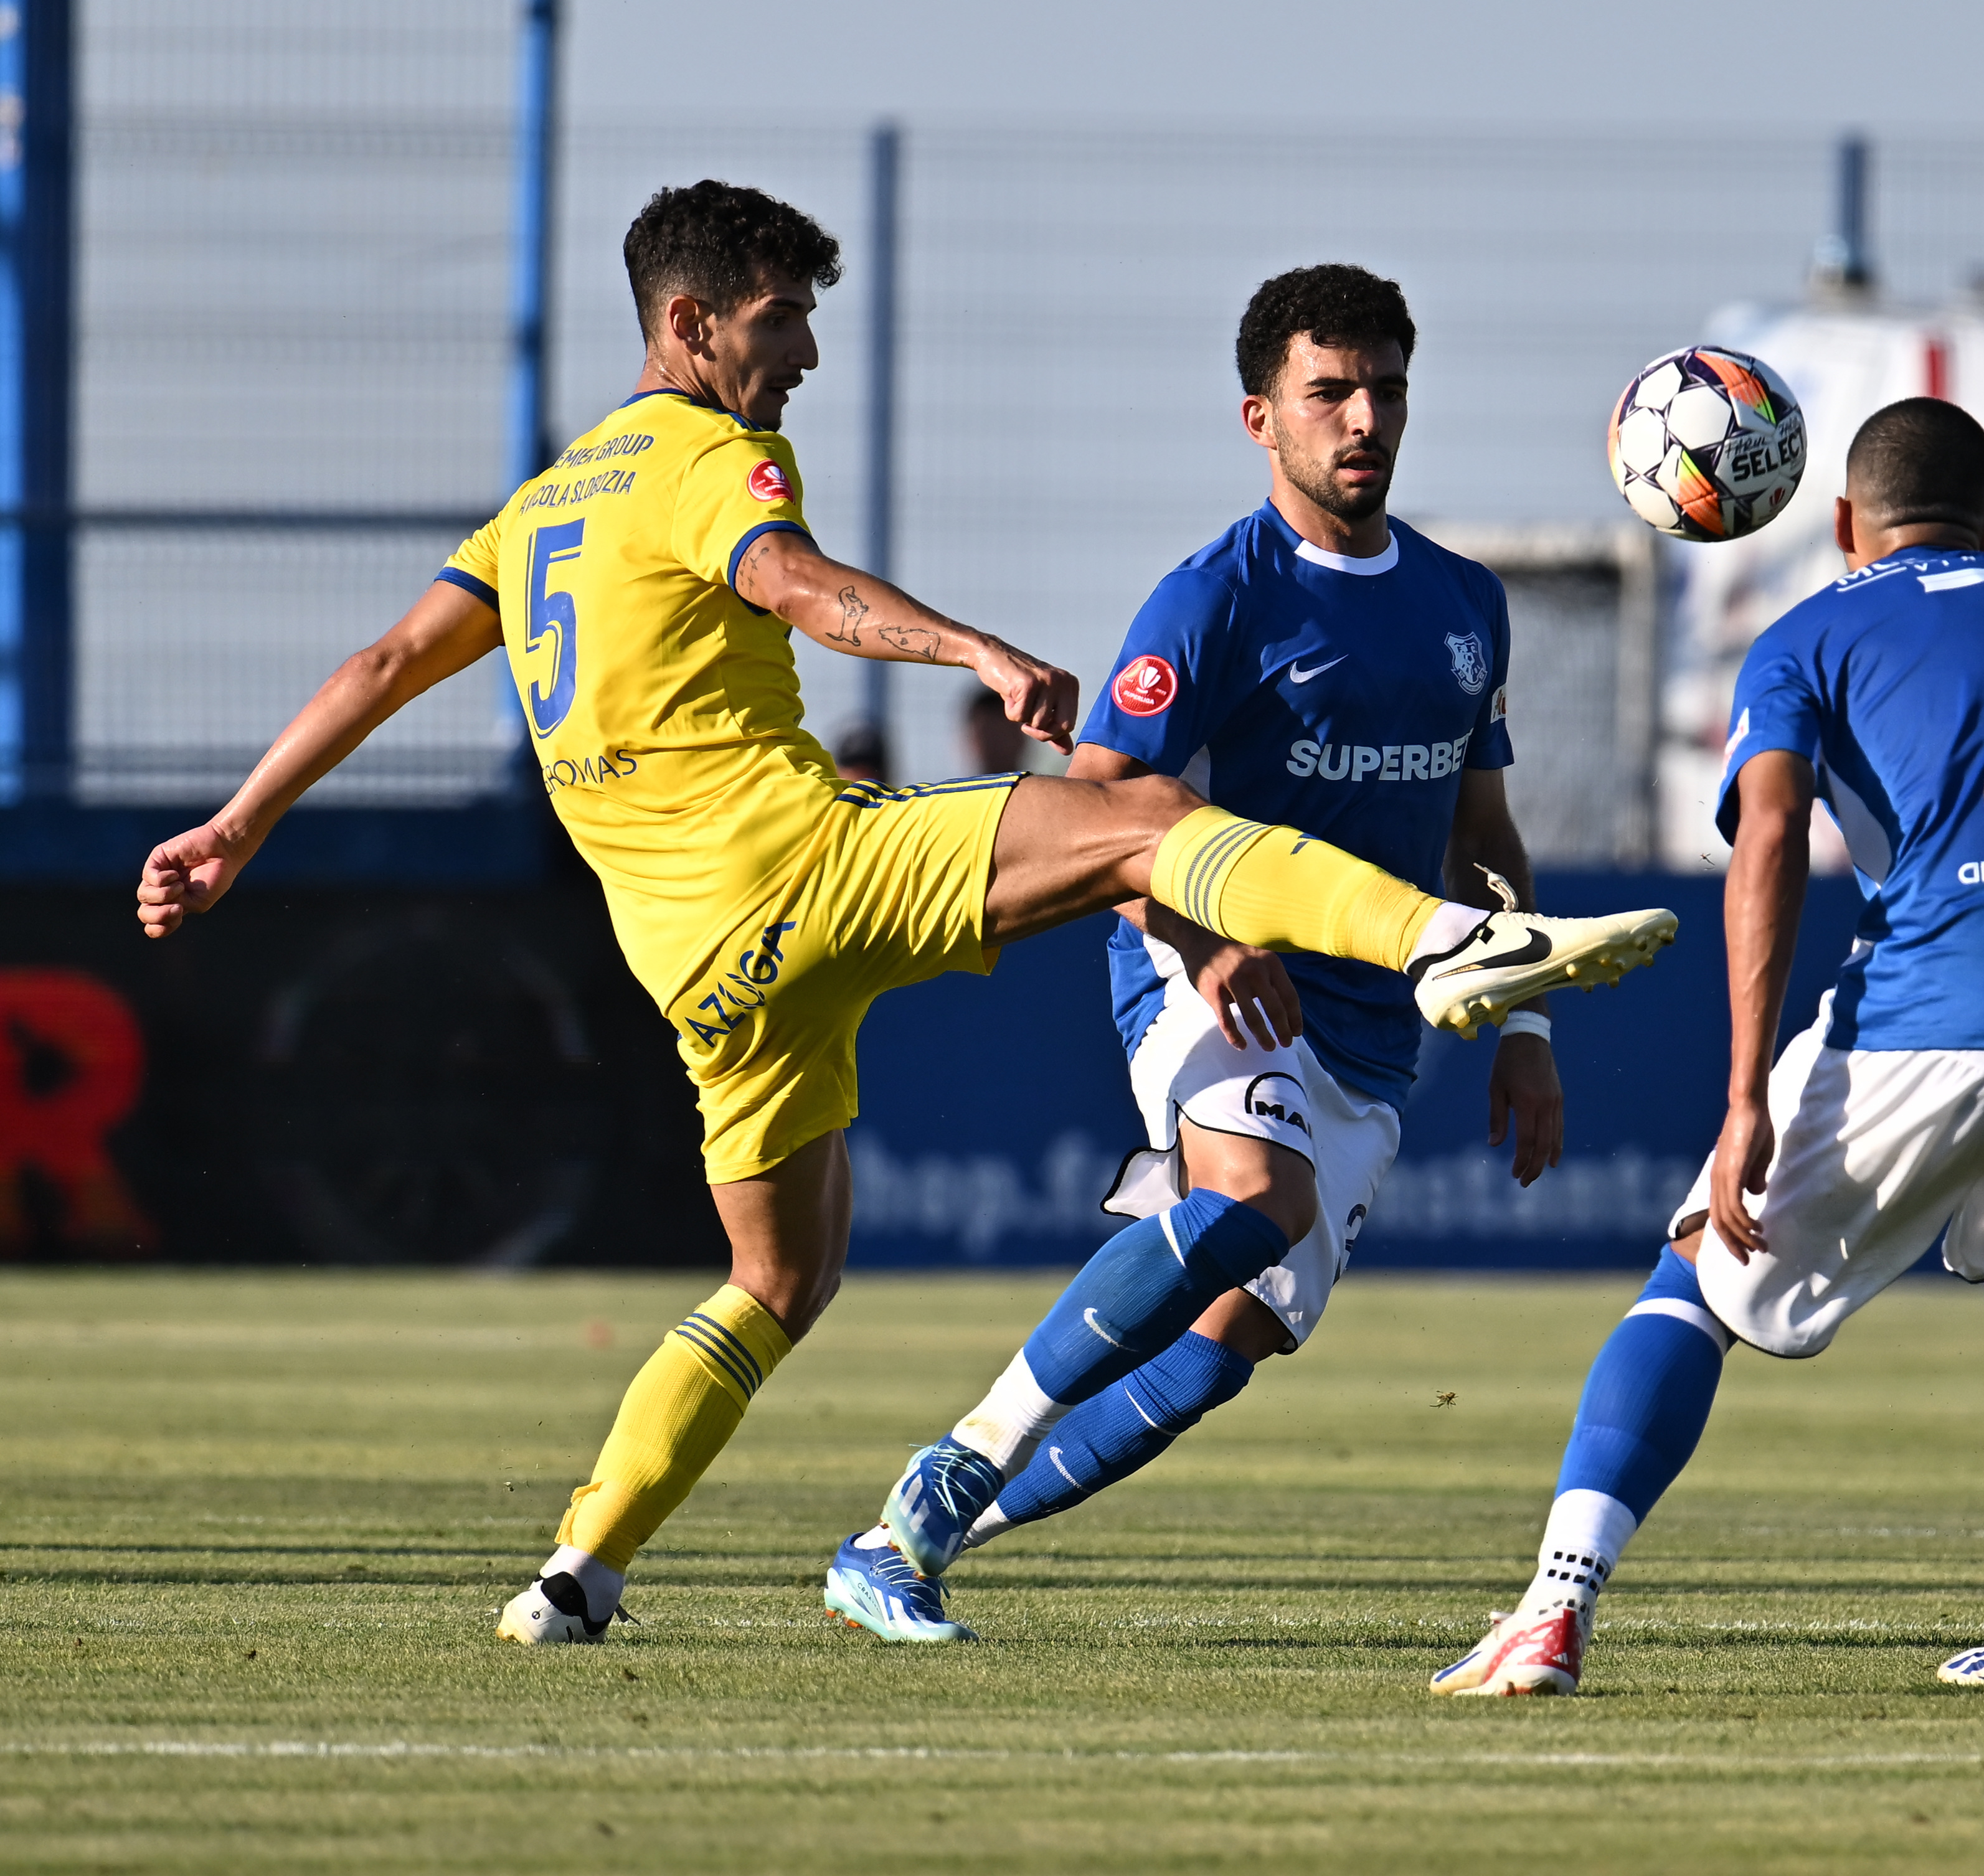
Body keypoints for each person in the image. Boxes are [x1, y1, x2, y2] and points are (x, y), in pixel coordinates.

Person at [129, 182, 1679, 1646]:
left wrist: (235, 820)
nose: (798, 353)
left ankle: (577, 1566)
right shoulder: (697, 453)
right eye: (776, 318)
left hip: (692, 963)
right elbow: (792, 581)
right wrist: (972, 655)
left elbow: (388, 662)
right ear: (687, 325)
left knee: (778, 1283)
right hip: (799, 866)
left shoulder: (541, 507)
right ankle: (1440, 942)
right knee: (1142, 823)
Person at [1430, 398, 1984, 1698]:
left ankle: (1552, 1610)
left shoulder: (1807, 631)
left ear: (1842, 524)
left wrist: (1740, 1098)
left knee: (1695, 1280)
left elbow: (1766, 834)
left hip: (1939, 1001)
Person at [824, 265, 1583, 1641]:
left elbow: (1483, 831)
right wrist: (1199, 935)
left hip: (1371, 1026)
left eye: (1386, 391)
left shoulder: (1468, 603)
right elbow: (1094, 809)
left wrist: (1526, 1028)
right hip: (1204, 964)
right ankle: (954, 1460)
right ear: (1260, 418)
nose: (1364, 420)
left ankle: (896, 1546)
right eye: (1329, 393)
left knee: (1220, 1353)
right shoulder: (1214, 600)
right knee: (1251, 1201)